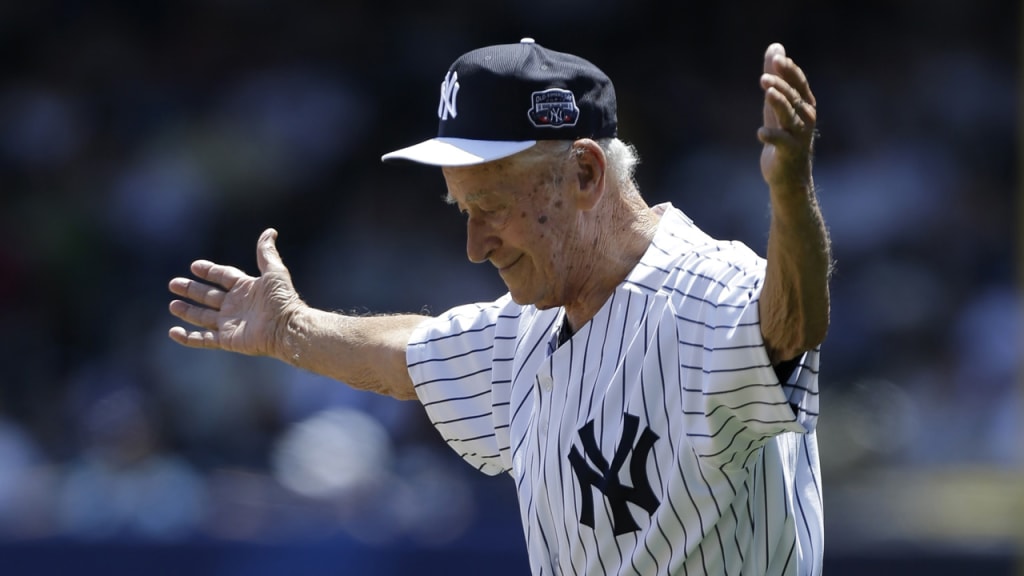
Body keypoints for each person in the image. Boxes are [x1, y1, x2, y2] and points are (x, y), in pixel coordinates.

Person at [168, 38, 831, 575]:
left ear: (585, 174)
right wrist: (290, 327)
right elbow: (404, 357)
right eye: (464, 209)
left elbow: (791, 326)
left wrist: (791, 198)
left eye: (490, 206)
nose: (474, 244)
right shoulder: (529, 327)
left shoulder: (704, 292)